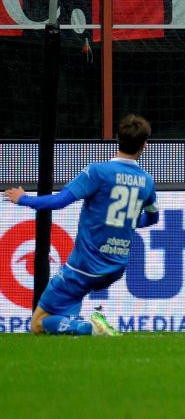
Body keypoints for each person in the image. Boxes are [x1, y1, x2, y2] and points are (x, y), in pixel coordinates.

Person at [3, 114, 158, 336]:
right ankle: (78, 325)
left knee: (38, 324)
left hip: (84, 267)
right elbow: (152, 218)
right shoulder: (147, 181)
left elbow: (59, 201)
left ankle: (90, 327)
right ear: (144, 145)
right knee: (62, 320)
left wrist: (23, 199)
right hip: (115, 268)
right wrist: (128, 222)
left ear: (118, 138)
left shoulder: (98, 172)